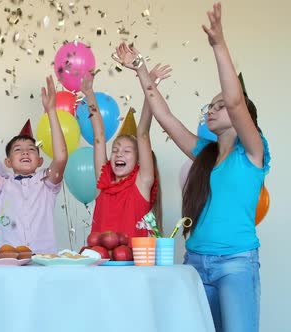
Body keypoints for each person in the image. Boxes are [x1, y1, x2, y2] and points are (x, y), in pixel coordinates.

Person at [113, 3, 269, 331]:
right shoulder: (204, 154)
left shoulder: (253, 152)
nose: (211, 110)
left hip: (236, 265)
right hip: (194, 263)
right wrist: (141, 68)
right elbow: (165, 116)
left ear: (244, 119)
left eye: (219, 106)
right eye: (209, 106)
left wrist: (218, 44)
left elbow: (237, 100)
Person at [0, 75, 67, 254]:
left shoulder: (47, 183)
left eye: (31, 149)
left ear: (40, 161)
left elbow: (61, 158)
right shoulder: (2, 185)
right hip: (8, 259)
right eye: (17, 150)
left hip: (43, 260)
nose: (24, 152)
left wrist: (51, 111)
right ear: (8, 162)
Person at [81, 63, 169, 238]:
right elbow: (99, 138)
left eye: (127, 151)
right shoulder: (104, 180)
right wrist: (89, 94)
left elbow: (142, 133)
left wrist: (149, 85)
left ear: (139, 160)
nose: (119, 153)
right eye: (115, 150)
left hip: (133, 263)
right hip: (101, 262)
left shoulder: (142, 182)